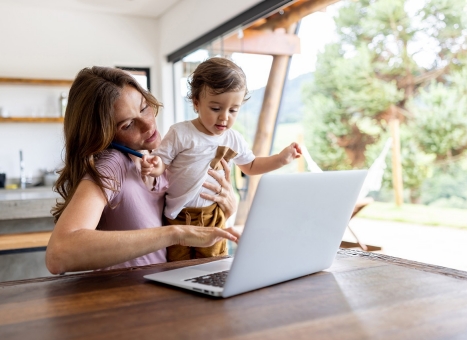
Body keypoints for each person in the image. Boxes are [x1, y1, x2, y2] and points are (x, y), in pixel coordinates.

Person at [45, 66, 240, 274]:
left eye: (144, 107)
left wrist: (226, 208)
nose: (148, 125)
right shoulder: (112, 165)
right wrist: (175, 233)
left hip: (167, 292)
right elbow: (59, 254)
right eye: (128, 124)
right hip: (130, 299)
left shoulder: (159, 159)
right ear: (103, 135)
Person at [141, 57, 302, 261]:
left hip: (213, 216)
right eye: (216, 108)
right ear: (196, 103)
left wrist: (280, 159)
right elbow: (162, 161)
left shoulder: (233, 138)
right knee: (176, 264)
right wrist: (154, 167)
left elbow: (251, 165)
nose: (225, 117)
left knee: (214, 262)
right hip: (178, 216)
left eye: (233, 110)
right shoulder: (180, 132)